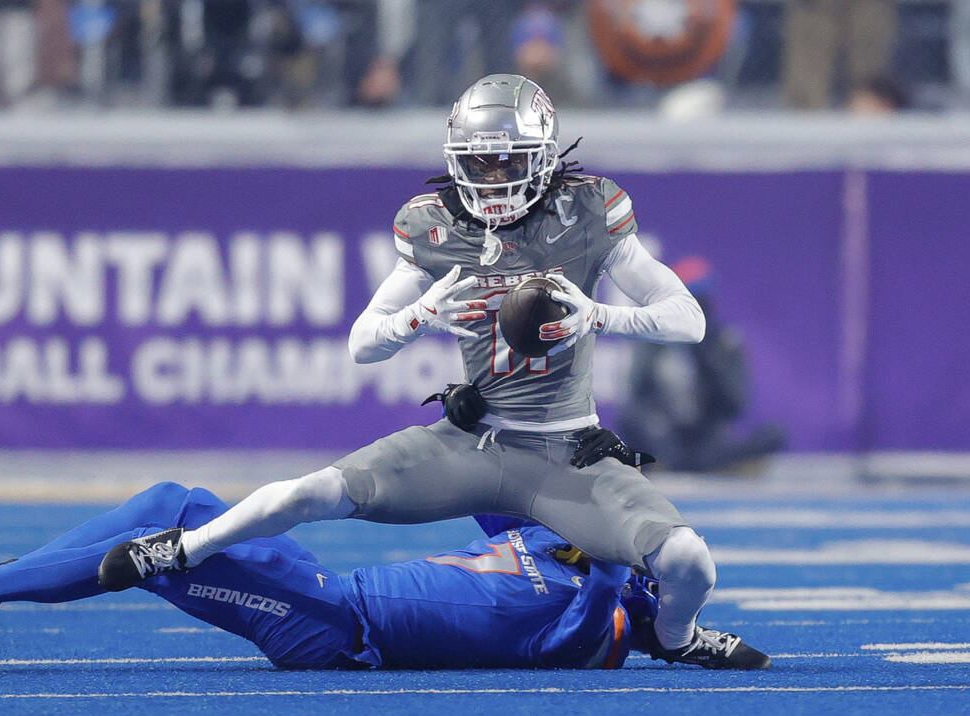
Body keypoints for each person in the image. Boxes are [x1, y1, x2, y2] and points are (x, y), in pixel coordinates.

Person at [94, 74, 768, 670]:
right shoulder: (434, 225)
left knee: (688, 562)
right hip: (474, 444)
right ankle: (180, 549)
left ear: (543, 158)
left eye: (510, 161)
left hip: (569, 453)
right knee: (308, 495)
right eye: (481, 161)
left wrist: (599, 316)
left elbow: (688, 319)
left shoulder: (587, 211)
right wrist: (420, 315)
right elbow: (363, 344)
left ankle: (680, 638)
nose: (495, 177)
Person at [0, 433, 665, 671]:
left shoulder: (596, 622)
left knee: (162, 544)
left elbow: (599, 614)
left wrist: (621, 553)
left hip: (336, 631)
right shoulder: (546, 541)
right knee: (169, 504)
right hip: (327, 592)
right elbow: (500, 479)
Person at [618, 255, 787, 472]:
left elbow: (734, 404)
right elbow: (637, 395)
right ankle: (670, 464)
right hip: (665, 437)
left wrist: (708, 358)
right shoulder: (652, 342)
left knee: (775, 433)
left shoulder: (725, 343)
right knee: (631, 418)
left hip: (707, 439)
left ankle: (716, 464)